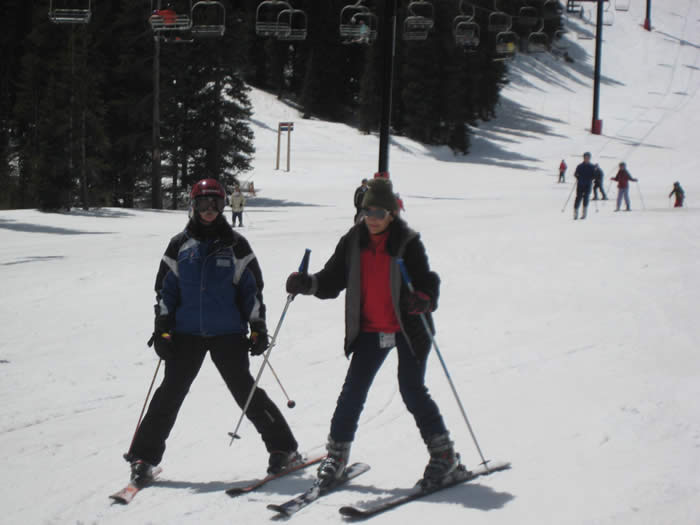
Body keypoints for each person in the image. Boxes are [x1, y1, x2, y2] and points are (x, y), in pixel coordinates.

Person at [285, 177, 463, 490]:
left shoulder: (407, 242)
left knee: (411, 390)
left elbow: (428, 280)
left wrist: (424, 299)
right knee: (352, 392)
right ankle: (336, 457)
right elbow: (331, 280)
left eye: (380, 213)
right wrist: (307, 283)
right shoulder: (353, 240)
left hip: (409, 329)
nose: (373, 219)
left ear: (392, 214)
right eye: (368, 212)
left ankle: (444, 456)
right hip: (370, 329)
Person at [124, 178, 300, 484]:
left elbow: (252, 291)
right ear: (193, 206)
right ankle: (144, 457)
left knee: (245, 392)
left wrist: (257, 327)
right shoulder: (179, 245)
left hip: (227, 333)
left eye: (216, 204)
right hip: (186, 333)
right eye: (203, 204)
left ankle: (283, 449)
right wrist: (163, 328)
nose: (209, 210)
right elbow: (165, 291)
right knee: (169, 395)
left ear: (223, 206)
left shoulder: (236, 245)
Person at [573, 152, 596, 220]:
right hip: (580, 184)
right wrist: (578, 177)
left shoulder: (592, 166)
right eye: (585, 157)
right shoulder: (580, 166)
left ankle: (584, 214)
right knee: (578, 198)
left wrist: (592, 178)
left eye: (588, 158)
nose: (587, 159)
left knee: (586, 198)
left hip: (588, 184)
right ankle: (575, 213)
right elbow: (575, 174)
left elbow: (594, 175)